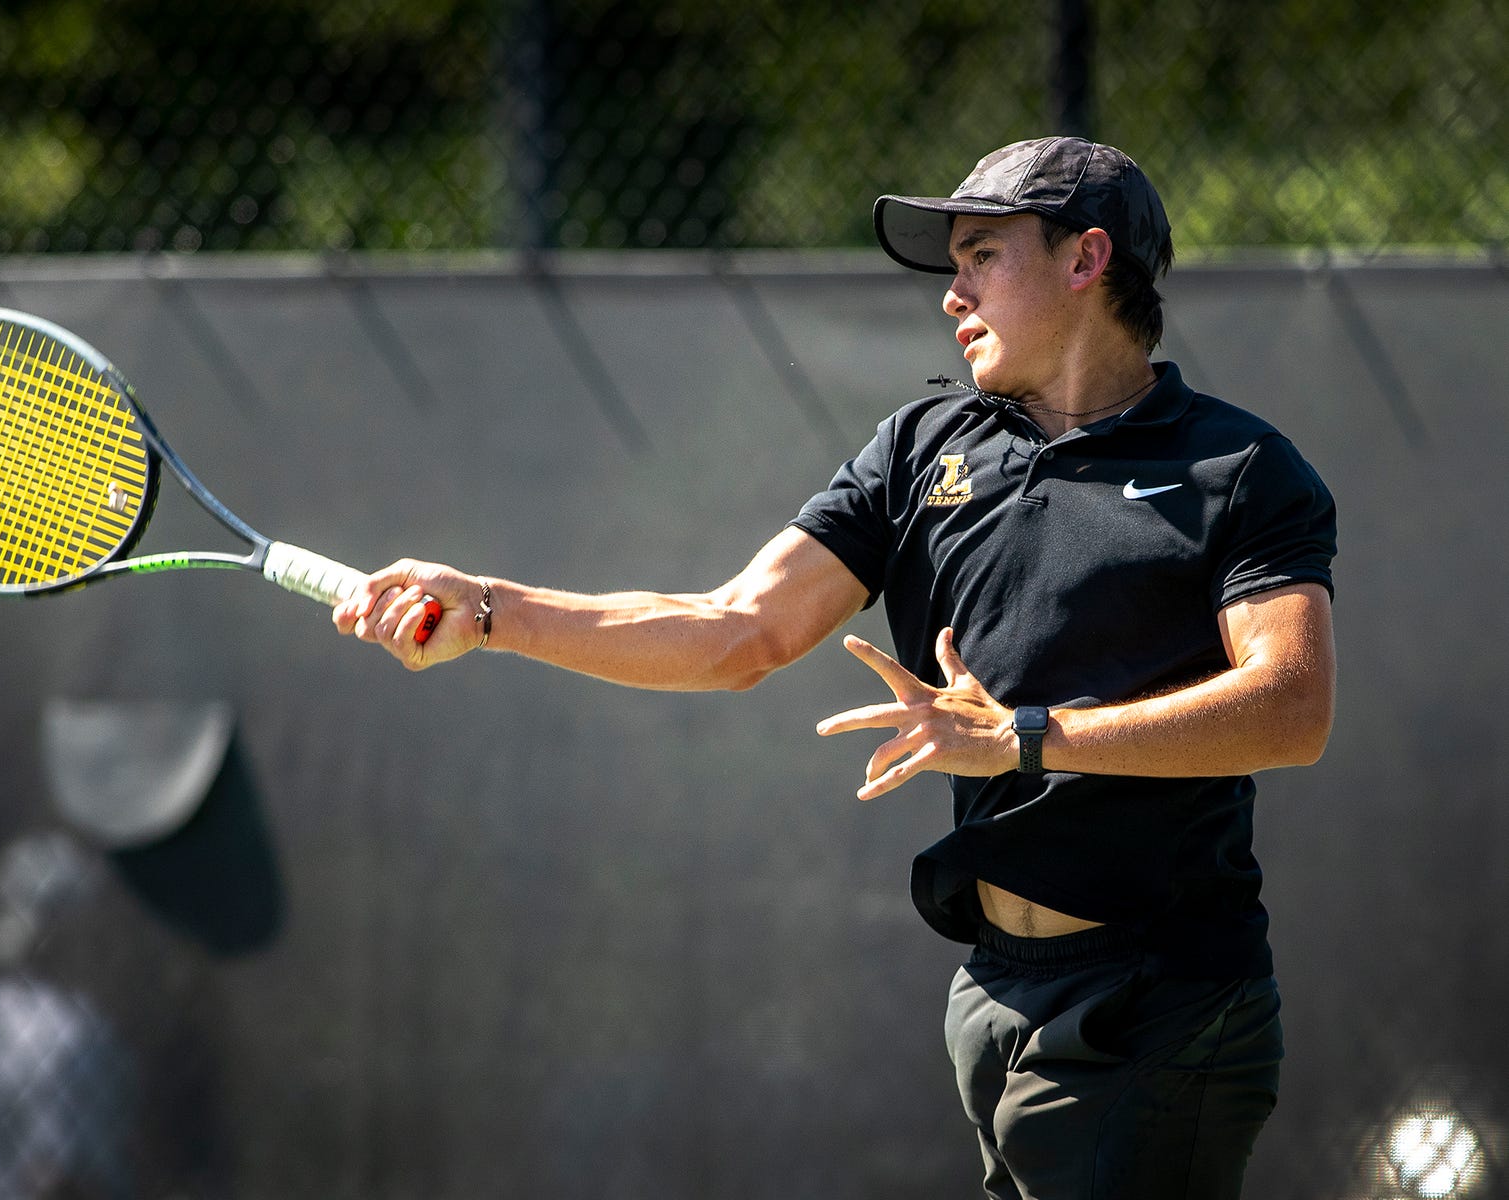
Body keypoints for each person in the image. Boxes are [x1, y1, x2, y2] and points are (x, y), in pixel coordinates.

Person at [334, 136, 1337, 1200]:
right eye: (951, 263)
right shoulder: (920, 448)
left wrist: (1025, 736)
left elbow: (1289, 707)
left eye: (982, 255)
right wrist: (491, 611)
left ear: (1085, 260)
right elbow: (735, 630)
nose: (951, 294)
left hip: (1160, 999)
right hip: (995, 993)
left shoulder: (1234, 471)